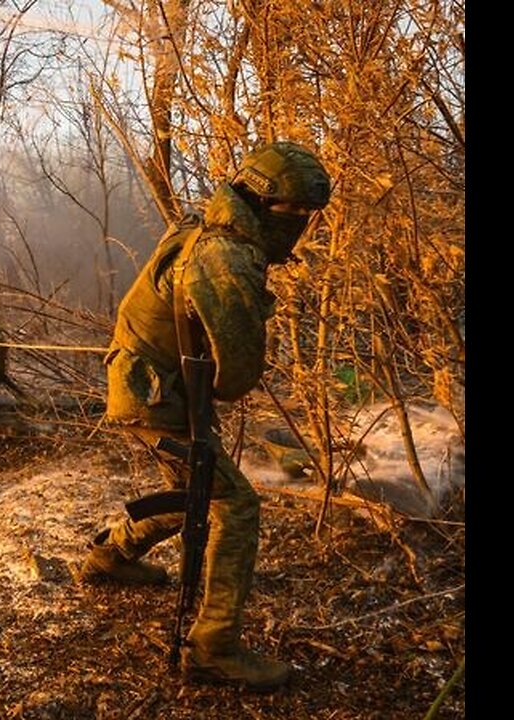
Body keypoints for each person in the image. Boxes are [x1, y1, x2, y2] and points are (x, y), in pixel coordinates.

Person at [77, 140, 332, 691]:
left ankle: (110, 555)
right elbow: (239, 375)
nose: (302, 228)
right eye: (298, 215)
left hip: (150, 384)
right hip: (156, 393)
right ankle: (214, 648)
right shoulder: (226, 258)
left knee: (196, 488)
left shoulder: (208, 223)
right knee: (233, 503)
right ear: (268, 206)